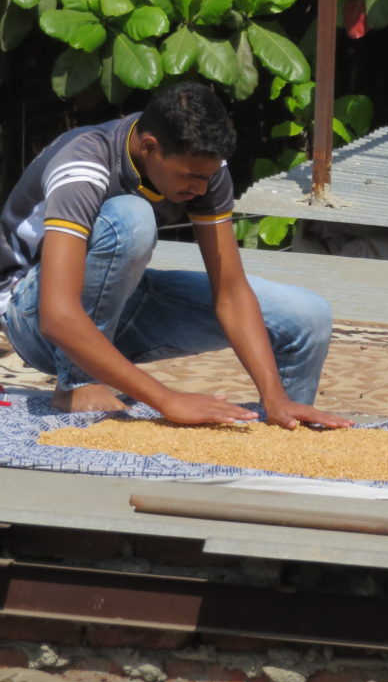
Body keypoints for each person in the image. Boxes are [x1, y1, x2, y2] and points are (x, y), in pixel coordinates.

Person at [0, 82, 349, 431]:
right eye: (190, 176)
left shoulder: (203, 166)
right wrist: (167, 399)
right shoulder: (83, 164)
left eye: (207, 177)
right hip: (30, 315)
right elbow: (56, 315)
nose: (200, 188)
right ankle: (78, 382)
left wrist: (274, 395)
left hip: (115, 304)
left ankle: (285, 439)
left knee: (308, 315)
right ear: (149, 147)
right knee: (130, 218)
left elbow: (231, 292)